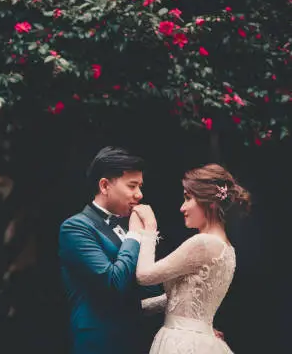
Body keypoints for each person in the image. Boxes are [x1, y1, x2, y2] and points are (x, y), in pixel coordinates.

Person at [131, 163, 251, 354]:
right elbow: (180, 298)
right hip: (201, 340)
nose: (182, 207)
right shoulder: (228, 249)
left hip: (182, 342)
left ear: (209, 203)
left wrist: (149, 231)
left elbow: (144, 275)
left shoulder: (203, 243)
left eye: (188, 199)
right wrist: (133, 308)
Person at [58, 146, 163, 354]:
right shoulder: (75, 228)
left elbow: (149, 287)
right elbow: (113, 283)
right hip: (101, 342)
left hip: (137, 340)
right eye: (132, 186)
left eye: (140, 186)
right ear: (105, 186)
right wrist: (134, 235)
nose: (139, 194)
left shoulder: (129, 224)